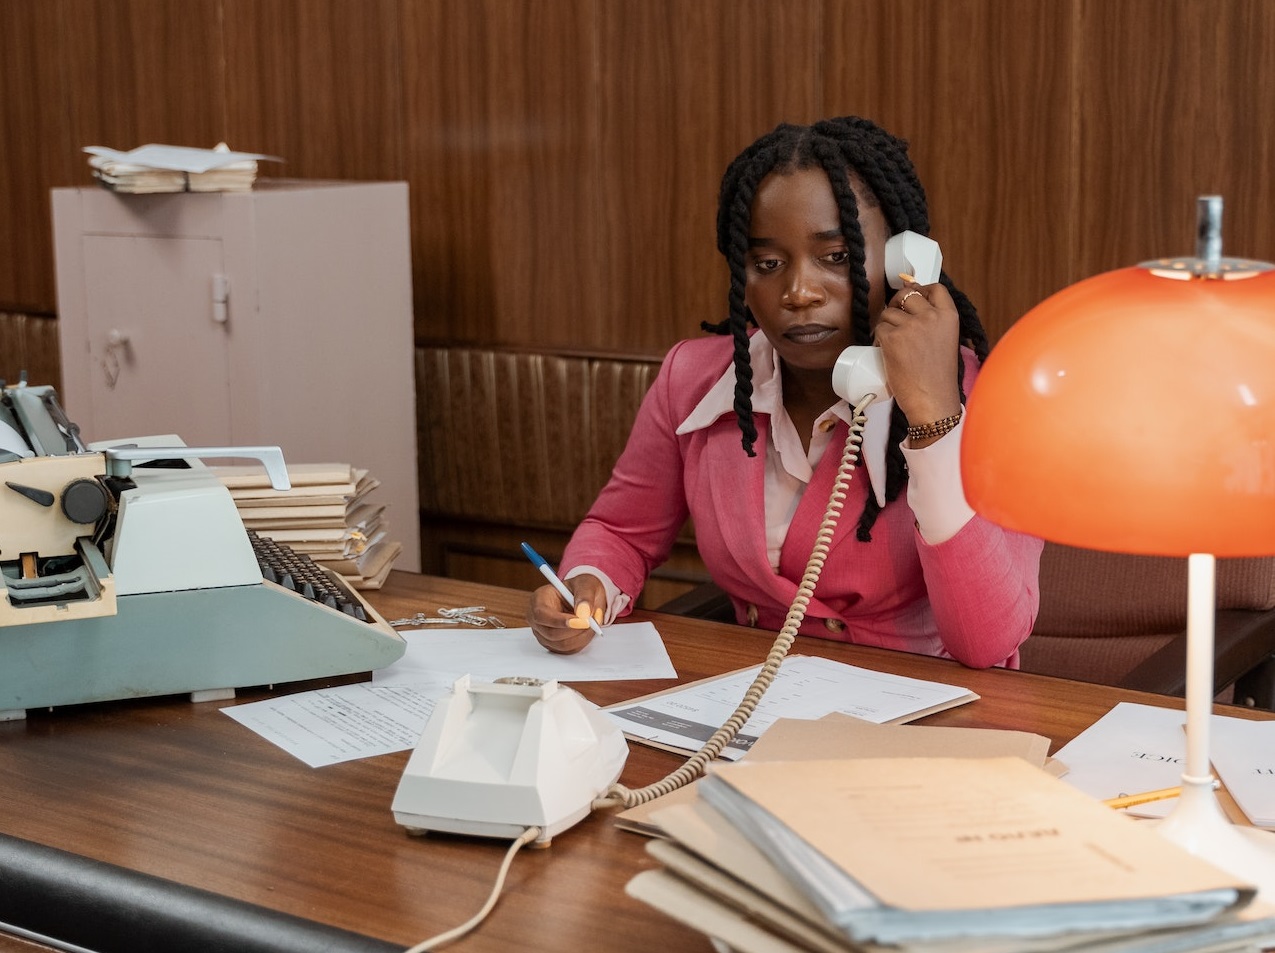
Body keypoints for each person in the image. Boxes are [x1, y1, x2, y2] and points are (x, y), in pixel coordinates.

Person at [528, 116, 1042, 668]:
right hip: (750, 703)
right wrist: (587, 585)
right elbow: (621, 531)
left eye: (837, 256)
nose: (798, 292)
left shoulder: (987, 402)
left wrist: (934, 418)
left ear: (903, 260)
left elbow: (987, 642)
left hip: (923, 722)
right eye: (768, 264)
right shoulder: (696, 380)